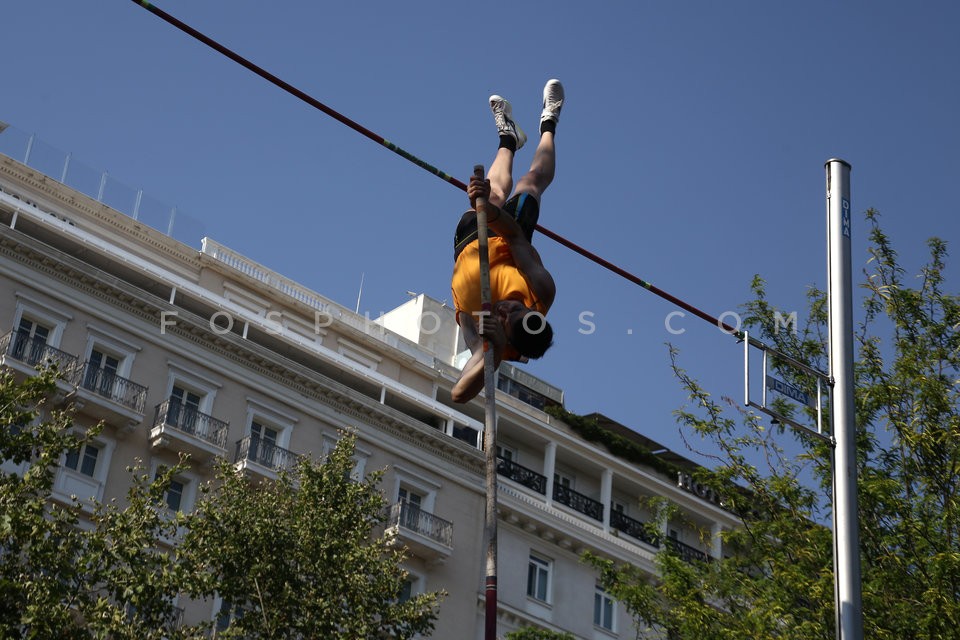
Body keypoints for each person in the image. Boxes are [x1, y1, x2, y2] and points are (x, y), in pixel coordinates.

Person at [450, 79, 564, 403]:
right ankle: (549, 121)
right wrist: (485, 205)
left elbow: (460, 393)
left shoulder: (488, 340)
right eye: (513, 309)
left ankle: (509, 138)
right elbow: (514, 235)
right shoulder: (541, 292)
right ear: (532, 311)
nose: (503, 309)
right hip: (506, 235)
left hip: (467, 244)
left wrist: (496, 350)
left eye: (505, 317)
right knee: (528, 184)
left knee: (495, 193)